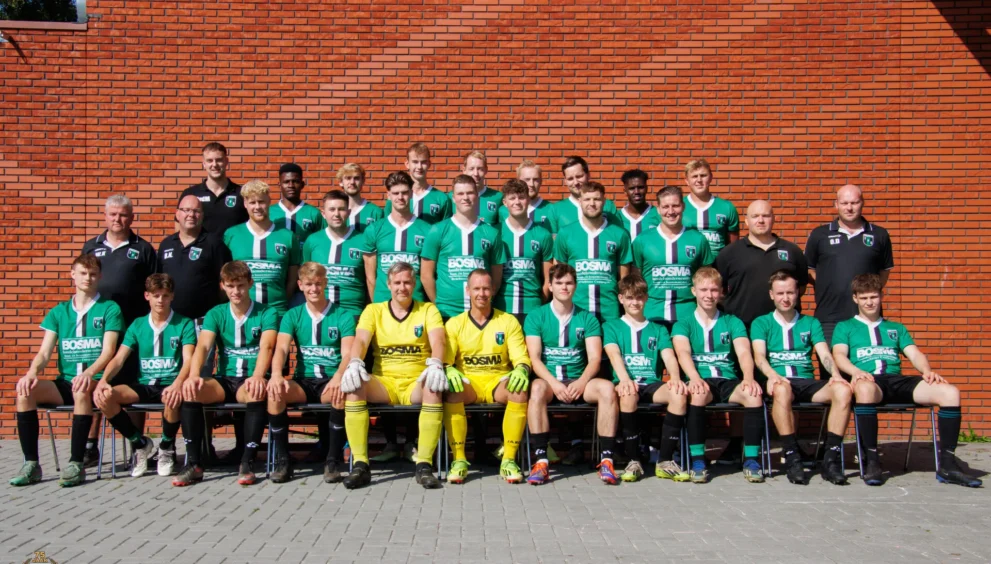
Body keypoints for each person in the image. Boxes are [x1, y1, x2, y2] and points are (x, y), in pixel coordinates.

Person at [832, 274, 981, 487]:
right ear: (855, 299)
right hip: (870, 381)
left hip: (897, 380)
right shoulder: (845, 327)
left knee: (950, 392)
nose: (869, 302)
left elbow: (914, 354)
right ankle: (871, 461)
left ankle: (948, 466)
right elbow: (839, 355)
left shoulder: (896, 328)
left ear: (881, 296)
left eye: (873, 297)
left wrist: (927, 371)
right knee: (864, 389)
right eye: (864, 298)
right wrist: (855, 372)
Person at [10, 255, 123, 487]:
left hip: (94, 381)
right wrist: (32, 373)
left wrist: (89, 373)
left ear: (100, 277)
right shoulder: (59, 311)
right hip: (66, 382)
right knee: (24, 392)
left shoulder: (109, 308)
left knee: (81, 390)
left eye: (93, 274)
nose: (88, 278)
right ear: (73, 275)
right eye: (83, 273)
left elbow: (108, 351)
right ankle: (31, 464)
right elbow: (44, 353)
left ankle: (76, 464)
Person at [337, 262, 449, 490]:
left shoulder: (428, 310)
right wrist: (355, 361)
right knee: (354, 385)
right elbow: (360, 340)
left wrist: (436, 363)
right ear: (388, 285)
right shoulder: (373, 310)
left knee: (434, 386)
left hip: (415, 381)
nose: (402, 287)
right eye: (397, 282)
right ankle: (360, 464)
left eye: (407, 282)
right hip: (385, 382)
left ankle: (424, 465)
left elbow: (439, 341)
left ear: (414, 284)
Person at [173, 261, 279, 487]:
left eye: (240, 285)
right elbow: (203, 346)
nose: (236, 291)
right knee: (191, 391)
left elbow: (267, 346)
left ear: (250, 283)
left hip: (250, 379)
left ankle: (247, 462)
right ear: (222, 286)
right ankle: (194, 464)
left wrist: (258, 375)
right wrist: (194, 375)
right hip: (224, 379)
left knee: (255, 391)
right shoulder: (216, 313)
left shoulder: (267, 312)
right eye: (230, 286)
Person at [750, 270, 851, 485]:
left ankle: (830, 459)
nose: (785, 298)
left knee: (843, 390)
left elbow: (824, 353)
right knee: (782, 388)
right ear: (771, 295)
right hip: (779, 380)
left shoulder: (811, 323)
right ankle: (792, 457)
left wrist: (836, 375)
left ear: (798, 293)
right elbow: (759, 357)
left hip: (806, 381)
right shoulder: (761, 322)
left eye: (790, 292)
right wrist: (772, 375)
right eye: (780, 293)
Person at [523, 264, 620, 485]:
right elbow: (535, 359)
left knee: (607, 389)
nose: (564, 287)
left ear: (575, 286)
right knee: (536, 388)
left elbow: (594, 359)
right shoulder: (536, 316)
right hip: (550, 382)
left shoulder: (588, 318)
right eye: (558, 283)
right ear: (550, 286)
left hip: (579, 380)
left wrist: (582, 382)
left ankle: (607, 460)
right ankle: (541, 461)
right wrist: (555, 384)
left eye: (568, 283)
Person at [92, 274, 197, 478]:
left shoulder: (184, 323)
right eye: (156, 295)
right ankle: (140, 443)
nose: (160, 300)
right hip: (144, 384)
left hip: (170, 384)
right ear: (147, 296)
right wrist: (103, 380)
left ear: (172, 296)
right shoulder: (138, 324)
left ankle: (166, 447)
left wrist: (177, 384)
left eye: (165, 295)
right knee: (105, 397)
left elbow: (189, 360)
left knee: (173, 396)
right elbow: (119, 358)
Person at [81, 194, 159, 464]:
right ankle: (90, 445)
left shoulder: (144, 249)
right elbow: (83, 284)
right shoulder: (91, 247)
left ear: (131, 218)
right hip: (98, 331)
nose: (118, 219)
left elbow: (153, 288)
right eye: (113, 214)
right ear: (105, 216)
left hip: (132, 330)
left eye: (123, 215)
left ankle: (139, 449)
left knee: (133, 384)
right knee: (97, 382)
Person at [671, 267, 765, 484]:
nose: (709, 295)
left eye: (714, 290)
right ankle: (698, 461)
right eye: (703, 290)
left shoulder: (732, 321)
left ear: (721, 292)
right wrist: (694, 377)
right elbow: (683, 353)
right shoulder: (683, 323)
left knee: (753, 395)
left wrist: (748, 377)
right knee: (697, 394)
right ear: (693, 291)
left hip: (728, 380)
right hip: (701, 380)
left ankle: (751, 460)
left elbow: (744, 352)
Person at [268, 262, 357, 483]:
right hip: (304, 382)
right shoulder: (292, 315)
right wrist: (277, 374)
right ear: (300, 285)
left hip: (330, 380)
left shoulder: (343, 315)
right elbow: (281, 348)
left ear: (325, 283)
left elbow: (348, 354)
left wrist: (338, 377)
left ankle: (332, 461)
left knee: (342, 393)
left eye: (318, 284)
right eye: (308, 284)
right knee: (275, 393)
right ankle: (283, 461)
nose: (313, 289)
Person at [441, 269, 531, 484]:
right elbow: (446, 360)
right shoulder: (455, 323)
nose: (481, 293)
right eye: (476, 288)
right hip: (469, 382)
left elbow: (521, 357)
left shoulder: (508, 321)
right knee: (451, 390)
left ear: (493, 290)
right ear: (467, 290)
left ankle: (509, 460)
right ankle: (459, 460)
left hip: (497, 381)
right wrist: (447, 368)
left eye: (485, 288)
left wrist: (521, 369)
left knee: (519, 390)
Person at [603, 274, 689, 482]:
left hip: (651, 383)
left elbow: (669, 356)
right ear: (621, 299)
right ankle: (634, 460)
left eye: (639, 297)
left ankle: (665, 461)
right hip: (625, 383)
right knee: (628, 395)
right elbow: (613, 355)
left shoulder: (658, 329)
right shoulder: (611, 326)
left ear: (646, 298)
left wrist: (675, 377)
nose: (635, 302)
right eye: (630, 297)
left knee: (678, 394)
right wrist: (624, 380)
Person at [805, 184, 894, 348]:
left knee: (867, 363)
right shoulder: (819, 235)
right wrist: (829, 284)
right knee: (831, 363)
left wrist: (866, 291)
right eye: (844, 203)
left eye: (854, 203)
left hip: (868, 317)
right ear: (836, 204)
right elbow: (809, 270)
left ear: (862, 203)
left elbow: (884, 273)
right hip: (829, 318)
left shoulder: (879, 235)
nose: (849, 208)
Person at [158, 196, 232, 377]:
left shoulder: (214, 244)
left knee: (199, 375)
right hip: (171, 322)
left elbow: (225, 284)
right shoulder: (166, 245)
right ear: (177, 214)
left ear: (202, 215)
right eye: (186, 210)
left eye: (196, 211)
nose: (191, 215)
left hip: (202, 322)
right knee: (171, 374)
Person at [421, 174, 506, 321]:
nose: (465, 197)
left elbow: (496, 279)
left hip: (481, 314)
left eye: (470, 193)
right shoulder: (437, 230)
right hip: (447, 312)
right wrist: (439, 304)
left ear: (477, 196)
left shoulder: (491, 233)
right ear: (453, 198)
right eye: (460, 193)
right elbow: (426, 275)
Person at [715, 200, 808, 328]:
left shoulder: (792, 251)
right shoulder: (729, 253)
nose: (761, 220)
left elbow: (801, 287)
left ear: (773, 219)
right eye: (755, 216)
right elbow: (718, 290)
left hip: (784, 328)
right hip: (742, 329)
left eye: (765, 216)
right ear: (746, 221)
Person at [632, 185, 713, 329]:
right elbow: (636, 280)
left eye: (675, 206)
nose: (671, 211)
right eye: (665, 207)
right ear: (658, 209)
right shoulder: (642, 240)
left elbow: (707, 279)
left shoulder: (698, 239)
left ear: (683, 206)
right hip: (652, 314)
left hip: (688, 315)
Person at [553, 181, 632, 322]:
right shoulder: (565, 233)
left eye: (596, 199)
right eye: (587, 199)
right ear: (580, 201)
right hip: (575, 311)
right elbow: (558, 275)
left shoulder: (620, 234)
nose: (592, 203)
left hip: (609, 312)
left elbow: (624, 279)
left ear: (604, 201)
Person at [223, 180, 301, 317]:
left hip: (278, 312)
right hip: (242, 313)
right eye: (252, 202)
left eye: (261, 202)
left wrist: (283, 300)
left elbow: (292, 278)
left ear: (269, 201)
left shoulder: (287, 236)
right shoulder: (232, 234)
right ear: (245, 204)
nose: (257, 207)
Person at [360, 171, 432, 304]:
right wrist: (375, 305)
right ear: (388, 195)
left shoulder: (427, 230)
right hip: (383, 304)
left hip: (416, 304)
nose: (400, 197)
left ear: (411, 194)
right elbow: (370, 277)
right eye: (395, 193)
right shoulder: (374, 229)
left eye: (404, 193)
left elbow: (429, 275)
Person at [302, 190, 369, 321]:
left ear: (349, 212)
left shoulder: (363, 241)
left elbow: (370, 280)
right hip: (319, 313)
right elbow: (305, 278)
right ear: (323, 213)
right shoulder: (312, 241)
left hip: (353, 313)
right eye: (332, 209)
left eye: (341, 209)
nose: (336, 214)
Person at [493, 179, 554, 325]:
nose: (517, 202)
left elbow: (548, 278)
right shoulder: (495, 232)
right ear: (505, 202)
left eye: (521, 197)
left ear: (528, 200)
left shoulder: (542, 234)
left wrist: (541, 300)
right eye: (512, 198)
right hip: (501, 306)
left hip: (532, 307)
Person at [178, 142, 246, 235]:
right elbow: (180, 228)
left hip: (233, 245)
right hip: (201, 245)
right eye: (210, 160)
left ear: (226, 161)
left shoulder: (241, 193)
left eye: (219, 160)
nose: (214, 164)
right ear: (204, 164)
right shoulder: (191, 194)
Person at [681, 158, 740, 254]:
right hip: (689, 262)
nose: (699, 180)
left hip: (718, 262)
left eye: (703, 175)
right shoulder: (677, 207)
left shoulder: (727, 207)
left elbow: (733, 248)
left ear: (711, 177)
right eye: (694, 176)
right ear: (687, 181)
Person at [384, 142, 451, 224]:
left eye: (423, 162)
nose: (419, 167)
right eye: (415, 162)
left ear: (429, 164)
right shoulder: (396, 197)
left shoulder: (442, 198)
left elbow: (446, 229)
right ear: (407, 164)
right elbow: (387, 226)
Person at [549, 156, 620, 233]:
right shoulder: (555, 209)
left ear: (588, 175)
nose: (575, 182)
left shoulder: (608, 205)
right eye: (570, 179)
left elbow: (618, 235)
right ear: (565, 181)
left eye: (579, 176)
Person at [269, 163, 326, 251]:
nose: (291, 185)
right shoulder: (269, 212)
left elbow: (323, 242)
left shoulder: (314, 213)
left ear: (302, 184)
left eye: (295, 181)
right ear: (279, 185)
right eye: (286, 182)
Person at [497, 160, 554, 229]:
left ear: (541, 181)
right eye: (527, 179)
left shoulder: (552, 209)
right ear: (518, 181)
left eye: (535, 179)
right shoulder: (503, 210)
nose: (531, 184)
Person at [337, 163, 384, 232]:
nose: (352, 182)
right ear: (341, 182)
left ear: (363, 181)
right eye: (348, 178)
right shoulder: (334, 213)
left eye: (356, 178)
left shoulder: (375, 212)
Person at [460, 151, 504, 225]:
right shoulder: (452, 197)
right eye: (471, 169)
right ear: (464, 170)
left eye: (480, 169)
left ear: (486, 170)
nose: (476, 173)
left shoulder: (499, 197)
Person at [617, 169, 661, 241]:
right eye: (632, 188)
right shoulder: (617, 218)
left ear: (646, 189)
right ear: (625, 191)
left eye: (640, 187)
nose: (636, 192)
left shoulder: (659, 214)